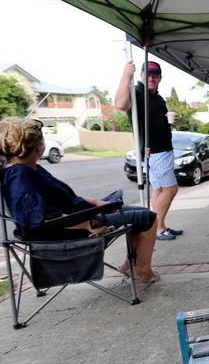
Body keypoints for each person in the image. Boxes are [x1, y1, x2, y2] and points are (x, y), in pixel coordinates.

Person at [0, 118, 160, 283]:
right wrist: (87, 225)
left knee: (139, 214)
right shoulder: (21, 177)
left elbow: (59, 197)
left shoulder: (26, 168)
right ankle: (143, 270)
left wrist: (94, 202)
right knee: (148, 218)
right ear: (39, 147)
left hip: (78, 216)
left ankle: (132, 263)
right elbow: (36, 221)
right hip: (68, 231)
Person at [115, 60, 183, 241]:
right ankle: (157, 228)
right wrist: (125, 74)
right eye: (148, 74)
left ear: (160, 78)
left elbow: (157, 120)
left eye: (155, 75)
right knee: (171, 189)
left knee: (159, 190)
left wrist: (170, 122)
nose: (152, 78)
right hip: (155, 151)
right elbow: (120, 105)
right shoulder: (136, 93)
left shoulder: (158, 98)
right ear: (141, 76)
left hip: (163, 149)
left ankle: (160, 225)